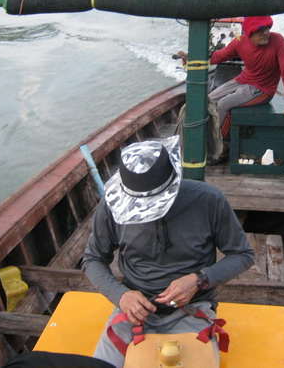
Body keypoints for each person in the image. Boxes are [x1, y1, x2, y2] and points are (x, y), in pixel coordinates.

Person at [82, 136, 254, 367]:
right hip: (133, 310)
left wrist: (199, 280)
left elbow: (243, 255)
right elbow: (93, 258)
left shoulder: (209, 200)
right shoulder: (111, 205)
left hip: (192, 308)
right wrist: (121, 295)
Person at [179, 16, 284, 162]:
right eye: (260, 30)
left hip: (262, 89)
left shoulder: (278, 42)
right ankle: (205, 139)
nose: (266, 33)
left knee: (224, 104)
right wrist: (192, 59)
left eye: (267, 28)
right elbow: (218, 57)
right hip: (242, 80)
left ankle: (223, 147)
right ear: (249, 32)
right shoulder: (239, 42)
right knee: (209, 100)